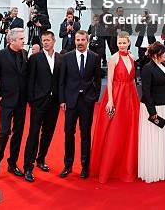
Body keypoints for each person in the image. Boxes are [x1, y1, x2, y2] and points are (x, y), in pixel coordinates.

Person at [90, 31, 140, 183]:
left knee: (129, 130)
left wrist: (136, 97)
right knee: (114, 130)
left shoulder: (132, 57)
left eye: (124, 43)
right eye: (119, 43)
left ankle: (128, 165)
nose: (122, 45)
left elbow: (133, 80)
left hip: (130, 95)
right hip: (117, 95)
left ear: (129, 43)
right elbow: (110, 81)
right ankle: (108, 168)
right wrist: (110, 101)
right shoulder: (113, 58)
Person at [59, 30, 101, 179]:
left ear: (87, 41)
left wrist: (94, 97)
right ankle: (68, 165)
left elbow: (97, 79)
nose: (80, 42)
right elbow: (62, 81)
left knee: (85, 134)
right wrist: (62, 100)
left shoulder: (94, 57)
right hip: (70, 101)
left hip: (87, 102)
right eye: (78, 40)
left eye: (83, 39)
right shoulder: (67, 57)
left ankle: (85, 166)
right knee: (69, 133)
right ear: (75, 41)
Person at [0, 28, 28, 178]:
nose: (24, 41)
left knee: (18, 133)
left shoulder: (24, 54)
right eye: (21, 39)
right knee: (4, 132)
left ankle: (12, 164)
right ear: (12, 41)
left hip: (21, 101)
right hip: (6, 100)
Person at [23, 31, 62, 182]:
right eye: (43, 40)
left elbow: (61, 81)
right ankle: (28, 166)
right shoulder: (35, 58)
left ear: (54, 41)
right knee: (33, 133)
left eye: (48, 40)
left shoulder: (60, 58)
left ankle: (41, 159)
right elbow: (30, 80)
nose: (45, 43)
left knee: (48, 133)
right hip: (38, 102)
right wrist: (32, 100)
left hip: (54, 103)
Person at [138, 42, 165, 183]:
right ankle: (153, 170)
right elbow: (146, 91)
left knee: (163, 139)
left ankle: (163, 168)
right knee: (153, 140)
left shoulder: (164, 65)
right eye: (163, 52)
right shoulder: (147, 69)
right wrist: (152, 112)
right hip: (153, 109)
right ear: (155, 55)